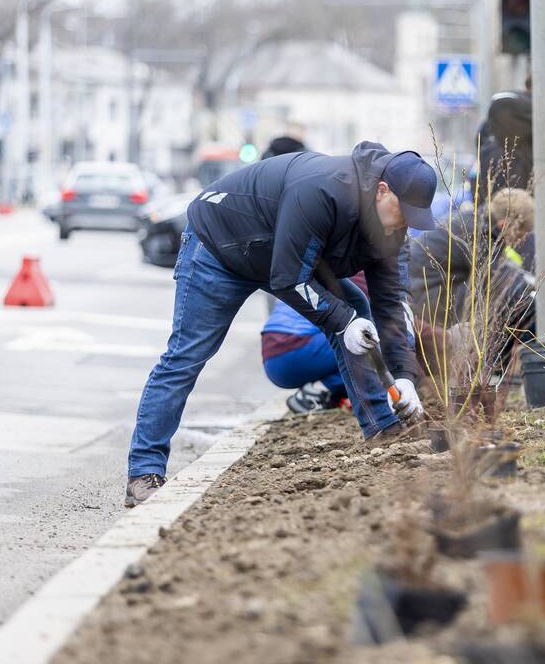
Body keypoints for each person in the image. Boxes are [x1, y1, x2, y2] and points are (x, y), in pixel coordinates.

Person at [125, 141, 437, 506]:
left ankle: (383, 430)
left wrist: (404, 375)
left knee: (358, 314)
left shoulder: (393, 228)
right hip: (222, 245)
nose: (405, 224)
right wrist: (342, 320)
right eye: (403, 213)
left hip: (281, 254)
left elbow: (392, 303)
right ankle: (144, 471)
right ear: (383, 190)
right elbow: (288, 278)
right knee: (187, 354)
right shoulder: (323, 190)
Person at [409, 189, 536, 386]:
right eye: (522, 233)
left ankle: (484, 367)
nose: (522, 240)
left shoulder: (478, 222)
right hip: (427, 295)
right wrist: (527, 284)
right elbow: (493, 279)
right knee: (505, 300)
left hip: (430, 289)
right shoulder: (480, 233)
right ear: (506, 225)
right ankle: (488, 369)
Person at [262, 272, 369, 413]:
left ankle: (320, 390)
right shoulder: (364, 276)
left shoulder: (328, 263)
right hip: (299, 346)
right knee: (369, 337)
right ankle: (322, 389)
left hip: (271, 354)